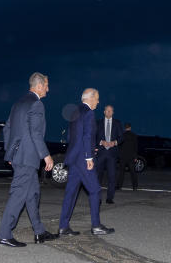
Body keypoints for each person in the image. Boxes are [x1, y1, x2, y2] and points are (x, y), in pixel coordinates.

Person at [0, 72, 57, 247]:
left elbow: (7, 128)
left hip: (18, 156)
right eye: (46, 85)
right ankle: (4, 235)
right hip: (27, 157)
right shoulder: (36, 104)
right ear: (39, 86)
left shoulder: (18, 103)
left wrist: (10, 153)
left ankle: (39, 232)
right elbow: (35, 133)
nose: (48, 88)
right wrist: (46, 156)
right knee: (18, 195)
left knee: (33, 194)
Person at [59, 88, 114, 236]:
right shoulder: (89, 112)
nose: (98, 101)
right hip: (83, 160)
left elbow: (73, 136)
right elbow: (87, 136)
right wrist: (88, 156)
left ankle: (63, 226)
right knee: (95, 190)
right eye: (96, 98)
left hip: (75, 158)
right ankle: (96, 226)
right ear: (90, 98)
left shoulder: (76, 111)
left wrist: (87, 150)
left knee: (71, 192)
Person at [95, 105, 123, 204]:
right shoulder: (98, 123)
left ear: (113, 112)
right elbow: (94, 136)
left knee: (112, 176)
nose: (109, 112)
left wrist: (114, 142)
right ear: (104, 112)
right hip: (101, 153)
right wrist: (101, 142)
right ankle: (97, 198)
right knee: (98, 176)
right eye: (107, 110)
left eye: (110, 111)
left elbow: (121, 138)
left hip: (112, 154)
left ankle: (110, 198)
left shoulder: (117, 123)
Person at [117, 123, 139, 192]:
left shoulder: (122, 135)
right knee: (133, 172)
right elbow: (135, 147)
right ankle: (135, 187)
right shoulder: (134, 135)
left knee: (121, 172)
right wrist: (135, 157)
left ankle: (119, 186)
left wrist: (119, 156)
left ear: (125, 128)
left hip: (123, 157)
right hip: (131, 157)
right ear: (130, 128)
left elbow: (119, 146)